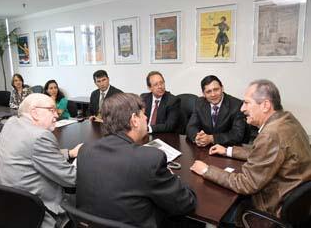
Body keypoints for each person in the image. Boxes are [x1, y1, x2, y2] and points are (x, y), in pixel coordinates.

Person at [190, 79, 311, 223]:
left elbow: (245, 184)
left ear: (265, 105)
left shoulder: (271, 135)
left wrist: (206, 170)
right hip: (294, 199)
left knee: (211, 208)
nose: (242, 108)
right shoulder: (286, 119)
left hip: (270, 208)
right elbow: (263, 152)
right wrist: (227, 151)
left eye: (247, 103)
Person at [76, 93, 196, 228]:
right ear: (134, 120)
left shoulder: (85, 150)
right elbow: (186, 203)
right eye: (143, 114)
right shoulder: (149, 159)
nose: (146, 118)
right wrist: (173, 178)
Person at [0, 93, 82, 228]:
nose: (56, 115)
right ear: (34, 112)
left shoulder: (11, 123)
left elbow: (30, 154)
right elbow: (71, 179)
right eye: (51, 110)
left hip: (4, 207)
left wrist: (69, 153)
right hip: (36, 213)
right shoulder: (40, 136)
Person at [186, 75, 246, 146]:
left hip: (227, 148)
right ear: (203, 94)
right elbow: (191, 126)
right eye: (208, 91)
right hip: (205, 148)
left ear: (222, 88)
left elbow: (237, 134)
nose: (213, 94)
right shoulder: (199, 102)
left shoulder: (237, 105)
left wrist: (212, 138)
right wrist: (198, 137)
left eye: (216, 89)